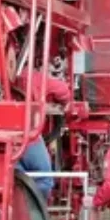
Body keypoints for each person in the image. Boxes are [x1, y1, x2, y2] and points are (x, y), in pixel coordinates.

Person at [16, 66, 71, 200]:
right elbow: (63, 91)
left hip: (3, 138)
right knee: (45, 180)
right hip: (28, 135)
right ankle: (34, 213)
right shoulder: (34, 76)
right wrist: (64, 101)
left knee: (16, 179)